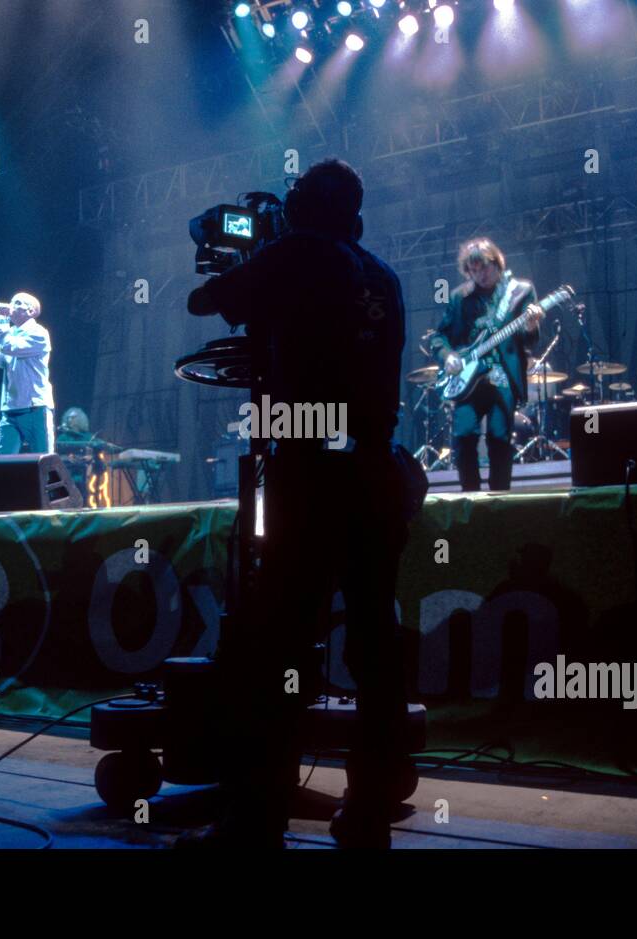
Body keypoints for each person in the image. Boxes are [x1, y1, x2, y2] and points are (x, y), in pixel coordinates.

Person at [184, 158, 413, 848]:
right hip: (376, 471)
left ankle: (254, 822)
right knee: (376, 644)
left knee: (276, 642)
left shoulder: (294, 252)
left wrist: (265, 249)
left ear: (301, 209)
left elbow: (206, 301)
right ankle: (368, 813)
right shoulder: (384, 276)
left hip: (310, 471)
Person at [431, 239, 543, 491]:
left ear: (497, 262)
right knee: (463, 436)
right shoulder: (459, 298)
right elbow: (439, 337)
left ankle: (498, 500)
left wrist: (532, 325)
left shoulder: (520, 291)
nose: (479, 274)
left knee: (499, 438)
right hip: (468, 378)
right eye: (473, 270)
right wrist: (448, 356)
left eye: (484, 267)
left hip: (502, 373)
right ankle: (470, 498)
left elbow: (530, 341)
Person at [0, 292, 54, 455]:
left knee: (43, 462)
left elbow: (9, 347)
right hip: (11, 410)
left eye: (17, 303)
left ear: (30, 311)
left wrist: (0, 323)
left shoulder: (39, 333)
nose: (11, 306)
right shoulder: (9, 332)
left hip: (35, 408)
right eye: (11, 302)